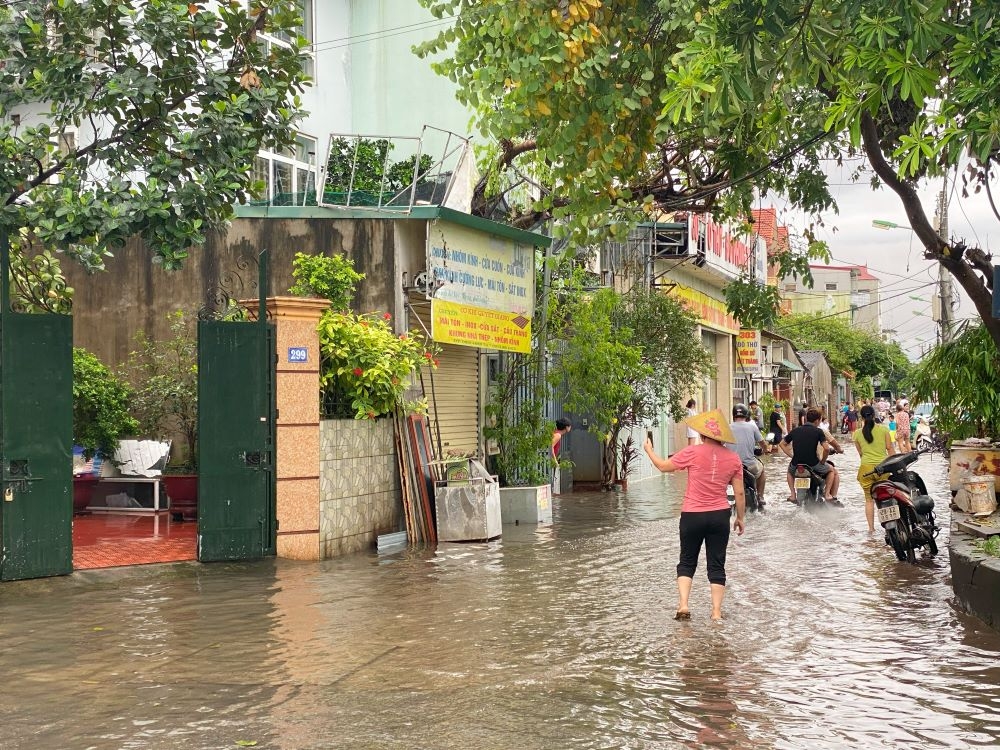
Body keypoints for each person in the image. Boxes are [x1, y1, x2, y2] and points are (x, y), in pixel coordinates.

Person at [644, 408, 745, 622]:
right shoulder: (734, 459)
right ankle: (716, 613)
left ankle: (683, 605)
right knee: (716, 564)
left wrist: (649, 450)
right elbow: (739, 492)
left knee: (687, 561)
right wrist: (740, 518)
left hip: (692, 515)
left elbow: (663, 467)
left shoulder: (693, 452)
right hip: (719, 515)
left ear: (703, 434)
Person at [779, 407, 835, 504]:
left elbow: (782, 444)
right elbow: (826, 448)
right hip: (813, 464)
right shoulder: (818, 431)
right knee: (831, 470)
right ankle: (827, 494)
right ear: (817, 420)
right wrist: (822, 461)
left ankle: (793, 495)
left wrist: (792, 456)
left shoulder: (795, 430)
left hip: (796, 463)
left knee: (789, 472)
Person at [854, 404, 896, 533]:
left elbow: (861, 454)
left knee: (869, 500)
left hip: (866, 470)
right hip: (882, 468)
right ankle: (892, 528)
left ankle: (871, 529)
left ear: (861, 417)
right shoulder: (883, 430)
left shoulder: (856, 434)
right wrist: (894, 466)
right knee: (888, 496)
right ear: (874, 415)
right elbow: (890, 449)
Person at [728, 403, 770, 501]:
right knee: (762, 470)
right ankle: (760, 496)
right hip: (749, 466)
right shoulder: (752, 426)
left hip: (731, 466)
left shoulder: (727, 427)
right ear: (746, 415)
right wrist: (765, 450)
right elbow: (762, 443)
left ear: (733, 415)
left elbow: (720, 445)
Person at [551, 418, 571, 494]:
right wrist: (555, 461)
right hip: (551, 461)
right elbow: (550, 447)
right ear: (566, 427)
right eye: (569, 426)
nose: (570, 427)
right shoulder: (558, 435)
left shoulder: (555, 433)